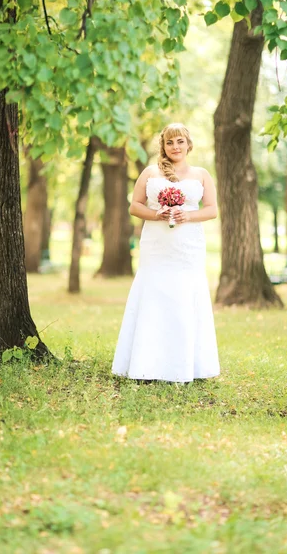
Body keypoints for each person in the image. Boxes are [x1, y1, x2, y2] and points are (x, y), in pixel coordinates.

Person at [112, 123, 220, 382]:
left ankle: (185, 367)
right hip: (156, 245)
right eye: (170, 142)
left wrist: (189, 215)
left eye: (180, 141)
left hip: (188, 247)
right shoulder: (150, 172)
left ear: (188, 144)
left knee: (184, 295)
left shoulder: (202, 174)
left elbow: (212, 209)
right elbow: (135, 206)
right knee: (154, 294)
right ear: (163, 146)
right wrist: (156, 214)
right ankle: (145, 364)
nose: (175, 147)